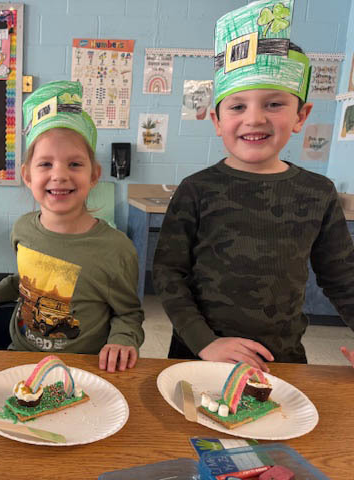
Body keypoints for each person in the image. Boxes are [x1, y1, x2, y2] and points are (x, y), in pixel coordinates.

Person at [152, 0, 354, 371]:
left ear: (301, 116)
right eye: (237, 107)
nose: (255, 118)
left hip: (280, 359)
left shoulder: (318, 193)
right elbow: (168, 274)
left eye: (274, 104)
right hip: (199, 356)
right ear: (216, 119)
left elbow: (343, 278)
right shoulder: (196, 189)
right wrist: (205, 342)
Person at [0, 80, 144, 373]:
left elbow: (128, 313)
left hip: (83, 368)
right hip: (20, 357)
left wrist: (123, 338)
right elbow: (23, 279)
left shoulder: (116, 248)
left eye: (74, 164)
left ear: (94, 174)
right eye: (45, 164)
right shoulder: (22, 229)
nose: (59, 175)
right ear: (27, 175)